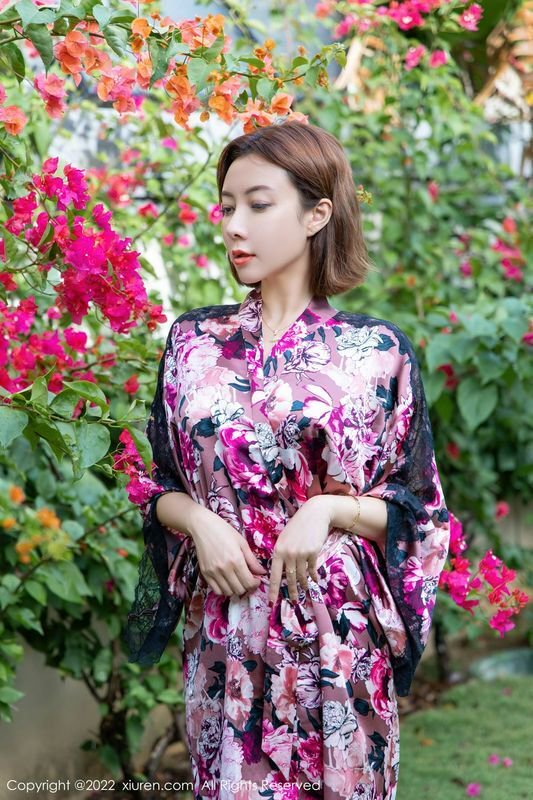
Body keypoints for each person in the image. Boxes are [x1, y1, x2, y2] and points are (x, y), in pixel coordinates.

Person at [124, 121, 450, 800]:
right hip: (228, 632)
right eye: (226, 206)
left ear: (315, 214)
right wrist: (200, 523)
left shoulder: (376, 353)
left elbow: (420, 513)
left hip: (338, 640)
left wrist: (327, 509)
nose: (233, 226)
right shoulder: (193, 343)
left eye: (258, 204)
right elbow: (157, 484)